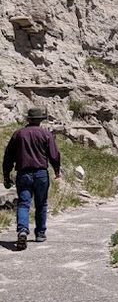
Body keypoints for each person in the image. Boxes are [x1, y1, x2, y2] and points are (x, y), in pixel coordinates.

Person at [3, 107, 61, 250]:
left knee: (23, 204)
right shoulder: (46, 134)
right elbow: (54, 155)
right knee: (41, 204)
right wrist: (57, 170)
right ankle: (40, 233)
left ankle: (22, 230)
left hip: (23, 173)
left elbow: (8, 156)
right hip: (41, 173)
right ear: (40, 120)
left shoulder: (18, 134)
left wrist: (6, 174)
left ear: (28, 119)